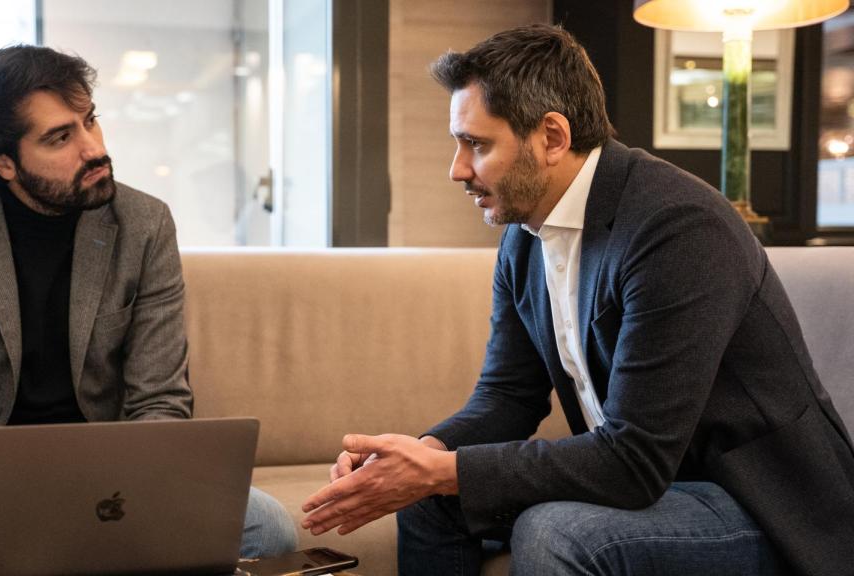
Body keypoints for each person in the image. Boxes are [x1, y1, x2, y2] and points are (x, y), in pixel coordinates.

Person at [300, 24, 854, 576]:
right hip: (656, 481)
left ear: (553, 137)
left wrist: (442, 469)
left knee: (559, 532)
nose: (457, 169)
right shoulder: (524, 237)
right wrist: (419, 455)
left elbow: (633, 460)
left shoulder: (678, 229)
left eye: (477, 144)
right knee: (427, 502)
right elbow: (507, 397)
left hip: (763, 504)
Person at [0, 45, 296, 576]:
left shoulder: (144, 223)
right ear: (3, 162)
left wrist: (128, 489)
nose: (93, 148)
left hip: (106, 469)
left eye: (90, 121)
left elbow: (161, 399)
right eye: (60, 137)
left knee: (272, 531)